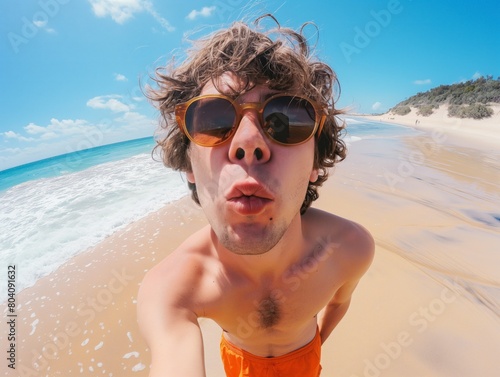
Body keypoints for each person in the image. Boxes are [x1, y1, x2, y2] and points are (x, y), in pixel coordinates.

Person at [138, 15, 374, 377]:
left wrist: (316, 348)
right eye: (214, 120)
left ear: (315, 161)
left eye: (287, 120)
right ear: (188, 163)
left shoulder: (352, 247)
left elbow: (341, 301)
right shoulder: (172, 289)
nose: (248, 143)